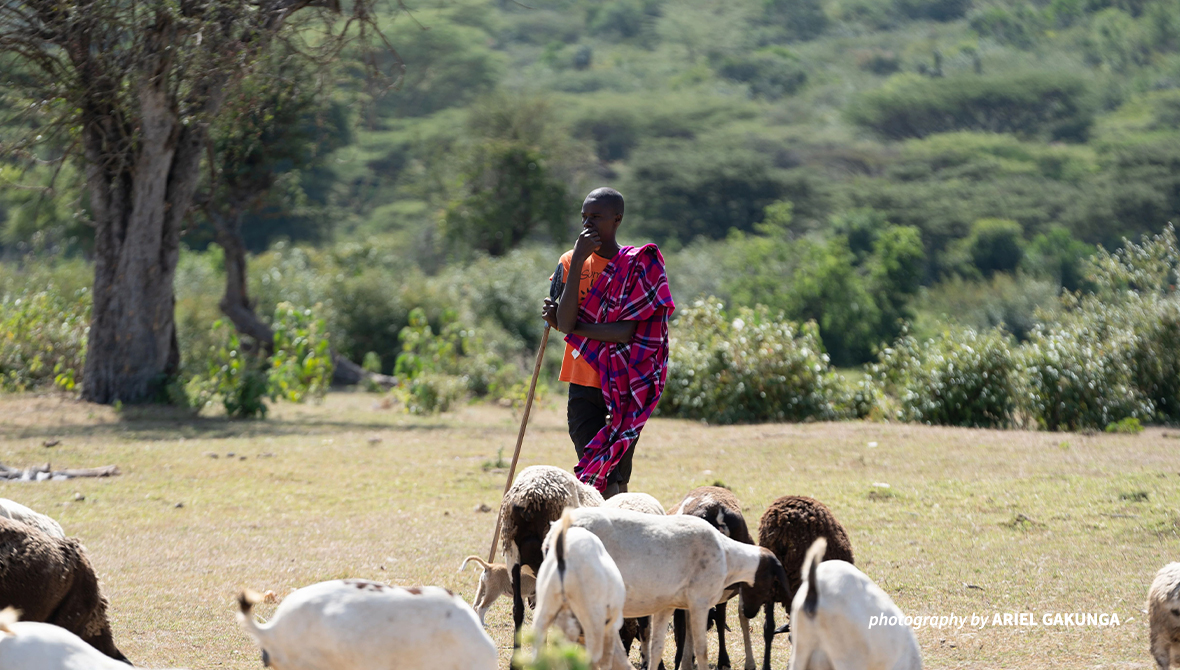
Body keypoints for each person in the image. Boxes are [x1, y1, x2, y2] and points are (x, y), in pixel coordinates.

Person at [541, 187, 674, 498]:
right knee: (597, 473)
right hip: (582, 383)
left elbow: (624, 332)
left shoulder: (639, 265)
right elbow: (567, 322)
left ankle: (618, 539)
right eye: (584, 218)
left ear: (617, 219)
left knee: (619, 476)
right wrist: (578, 262)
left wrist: (567, 326)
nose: (587, 225)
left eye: (596, 218)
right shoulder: (570, 261)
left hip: (624, 385)